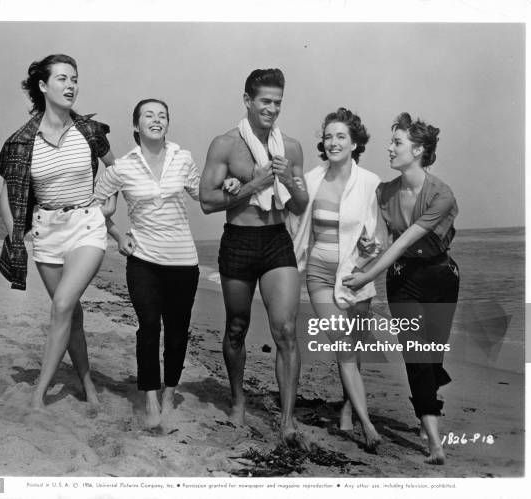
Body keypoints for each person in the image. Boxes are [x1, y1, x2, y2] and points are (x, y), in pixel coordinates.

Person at [0, 54, 115, 413]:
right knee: (70, 313)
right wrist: (15, 232)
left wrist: (109, 203)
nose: (71, 85)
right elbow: (5, 191)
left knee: (62, 305)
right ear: (43, 86)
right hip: (47, 231)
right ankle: (88, 384)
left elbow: (116, 170)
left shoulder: (90, 132)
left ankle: (39, 393)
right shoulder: (20, 142)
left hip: (86, 226)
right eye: (62, 78)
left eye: (74, 78)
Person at [199, 68, 309, 446]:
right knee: (236, 327)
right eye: (265, 101)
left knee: (287, 332)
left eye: (278, 102)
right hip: (239, 241)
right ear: (247, 101)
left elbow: (300, 204)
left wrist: (288, 180)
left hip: (277, 240)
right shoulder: (225, 145)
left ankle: (288, 421)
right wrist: (255, 185)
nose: (272, 109)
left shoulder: (290, 148)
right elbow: (207, 201)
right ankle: (238, 400)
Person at [342, 112, 459, 465]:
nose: (389, 148)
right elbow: (380, 242)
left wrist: (365, 278)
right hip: (402, 278)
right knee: (417, 354)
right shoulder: (384, 192)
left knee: (432, 354)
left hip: (441, 277)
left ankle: (431, 393)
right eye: (391, 142)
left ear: (419, 150)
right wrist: (357, 261)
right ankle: (434, 441)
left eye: (397, 143)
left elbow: (405, 239)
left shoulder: (441, 194)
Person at [93, 99, 200, 429]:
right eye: (149, 115)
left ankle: (170, 391)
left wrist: (228, 185)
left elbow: (200, 193)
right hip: (143, 260)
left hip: (184, 260)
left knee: (179, 332)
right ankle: (151, 396)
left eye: (163, 115)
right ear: (136, 127)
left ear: (168, 124)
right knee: (150, 327)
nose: (157, 120)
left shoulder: (183, 158)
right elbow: (95, 206)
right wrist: (115, 234)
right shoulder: (122, 167)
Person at [291, 108, 383, 451]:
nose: (333, 142)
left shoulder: (370, 183)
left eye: (341, 136)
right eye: (328, 136)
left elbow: (377, 239)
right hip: (318, 274)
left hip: (355, 277)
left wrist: (369, 254)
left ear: (354, 142)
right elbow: (291, 214)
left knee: (353, 348)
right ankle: (368, 425)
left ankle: (348, 408)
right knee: (343, 344)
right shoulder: (312, 179)